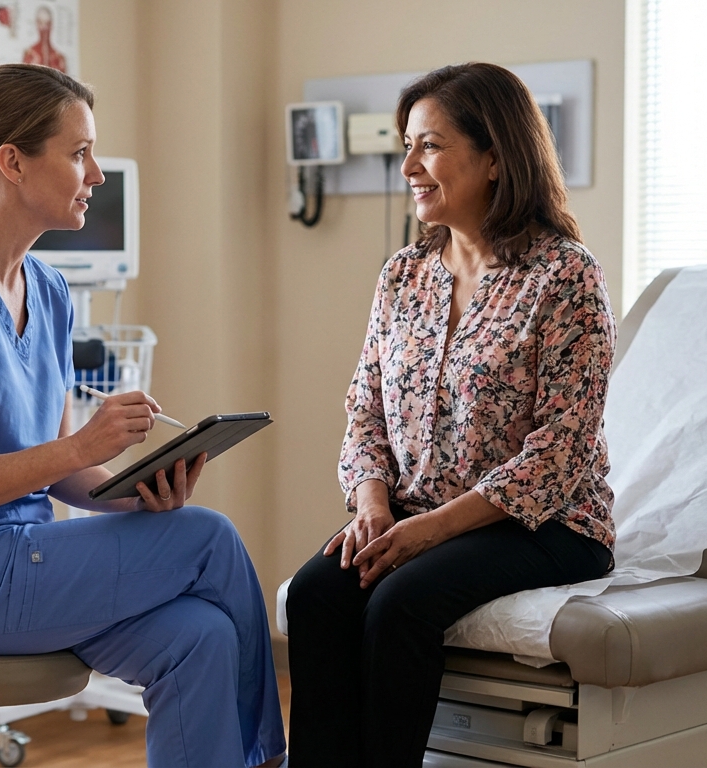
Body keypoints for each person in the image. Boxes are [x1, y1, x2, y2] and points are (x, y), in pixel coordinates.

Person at [0, 63, 286, 768]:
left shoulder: (48, 291)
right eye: (79, 152)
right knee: (207, 539)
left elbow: (58, 465)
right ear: (13, 163)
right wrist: (81, 445)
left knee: (199, 636)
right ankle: (269, 759)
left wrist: (130, 491)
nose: (97, 174)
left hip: (19, 560)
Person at [285, 62, 617, 768]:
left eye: (429, 146)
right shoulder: (403, 274)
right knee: (316, 593)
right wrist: (373, 505)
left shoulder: (565, 276)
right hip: (413, 510)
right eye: (408, 145)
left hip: (545, 525)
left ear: (495, 156)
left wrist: (425, 532)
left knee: (401, 600)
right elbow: (365, 407)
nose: (409, 165)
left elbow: (559, 454)